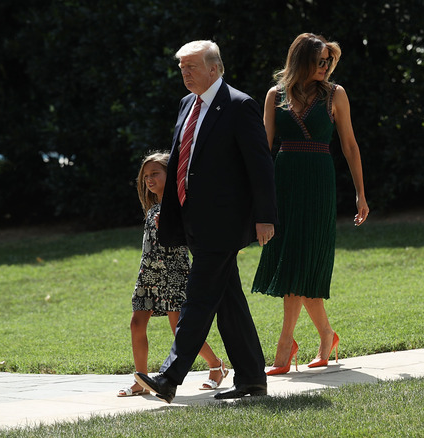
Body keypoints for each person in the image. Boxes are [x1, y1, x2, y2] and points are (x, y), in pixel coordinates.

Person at [134, 40, 278, 402]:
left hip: (225, 222)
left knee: (197, 299)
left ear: (215, 68)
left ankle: (169, 377)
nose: (185, 73)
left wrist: (265, 217)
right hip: (193, 220)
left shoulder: (239, 105)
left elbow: (260, 166)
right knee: (229, 301)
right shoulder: (186, 104)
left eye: (192, 67)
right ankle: (251, 379)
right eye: (182, 67)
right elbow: (183, 159)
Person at [251, 33, 369, 375]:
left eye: (328, 61)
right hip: (284, 181)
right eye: (320, 61)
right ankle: (326, 336)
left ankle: (284, 348)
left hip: (319, 181)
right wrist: (257, 197)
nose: (326, 67)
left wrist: (361, 193)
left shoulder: (336, 94)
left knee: (301, 262)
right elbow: (263, 149)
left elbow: (349, 144)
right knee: (293, 263)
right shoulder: (275, 95)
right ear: (301, 60)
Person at [118, 152, 228, 397]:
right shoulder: (153, 208)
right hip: (148, 274)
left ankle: (216, 365)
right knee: (136, 323)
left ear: (171, 174)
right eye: (145, 175)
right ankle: (141, 379)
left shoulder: (180, 204)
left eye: (155, 173)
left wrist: (171, 222)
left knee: (180, 328)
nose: (149, 179)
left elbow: (189, 235)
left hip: (175, 272)